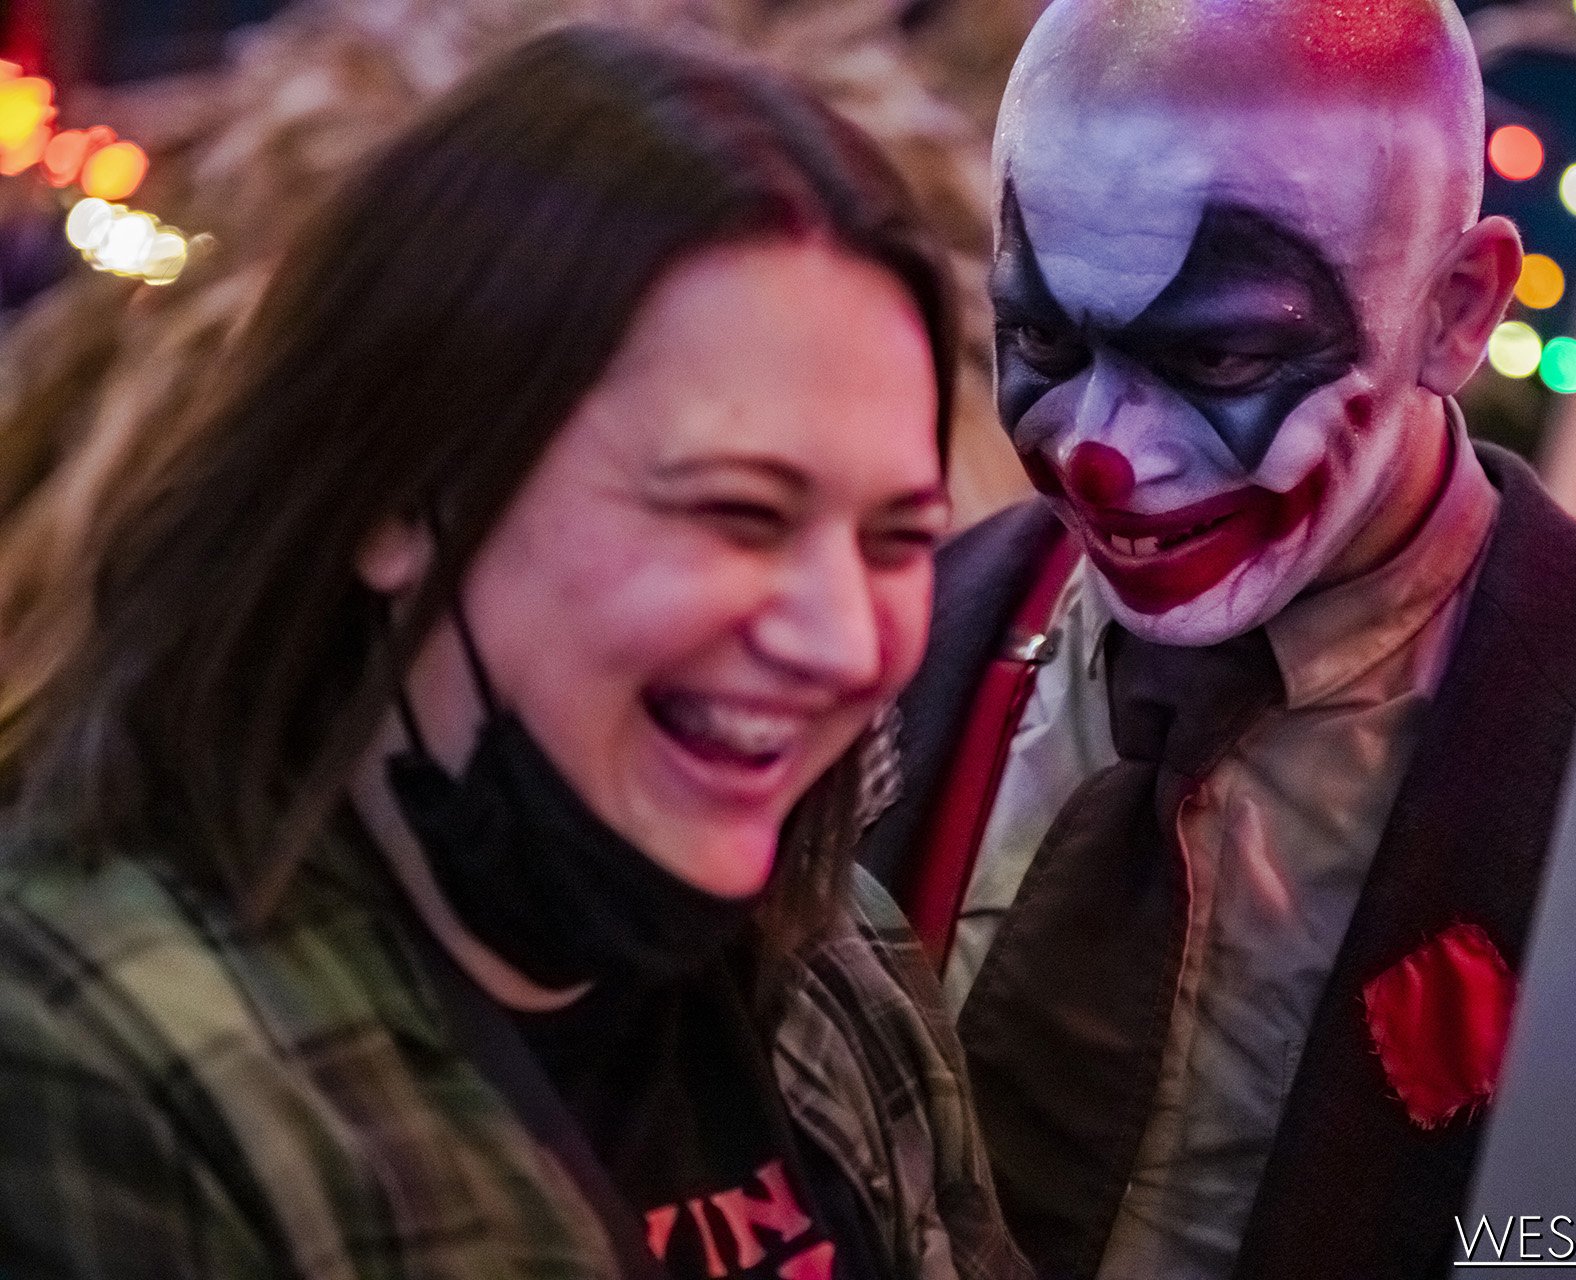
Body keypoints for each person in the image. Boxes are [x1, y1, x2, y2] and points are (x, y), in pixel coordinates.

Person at [0, 27, 1030, 1280]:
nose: (846, 640)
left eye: (897, 538)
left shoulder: (838, 966)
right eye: (737, 514)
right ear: (400, 494)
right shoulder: (98, 1049)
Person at [858, 1, 1576, 1276]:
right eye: (1045, 336)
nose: (1100, 451)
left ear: (1455, 310)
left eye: (1218, 354)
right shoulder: (898, 641)